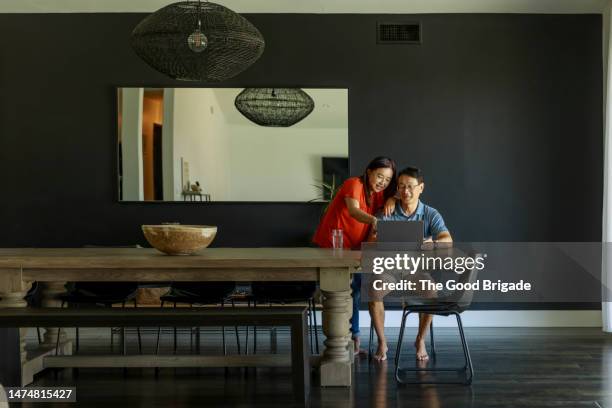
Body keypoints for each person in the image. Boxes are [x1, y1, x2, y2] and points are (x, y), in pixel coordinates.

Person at [313, 156, 396, 354]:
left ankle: (354, 340)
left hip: (355, 251)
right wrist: (375, 221)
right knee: (340, 291)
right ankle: (342, 341)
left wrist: (392, 198)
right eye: (379, 176)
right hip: (333, 247)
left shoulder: (379, 194)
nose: (382, 183)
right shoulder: (354, 184)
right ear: (369, 171)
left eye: (386, 180)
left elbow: (397, 196)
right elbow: (353, 211)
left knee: (356, 290)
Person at [370, 166, 452, 361]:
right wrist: (379, 238)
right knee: (374, 291)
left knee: (431, 292)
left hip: (415, 271)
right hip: (390, 269)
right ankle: (382, 342)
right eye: (401, 187)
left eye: (410, 187)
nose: (405, 191)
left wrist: (434, 242)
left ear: (421, 187)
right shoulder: (387, 211)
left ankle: (420, 339)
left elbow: (448, 240)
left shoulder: (430, 213)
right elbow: (371, 242)